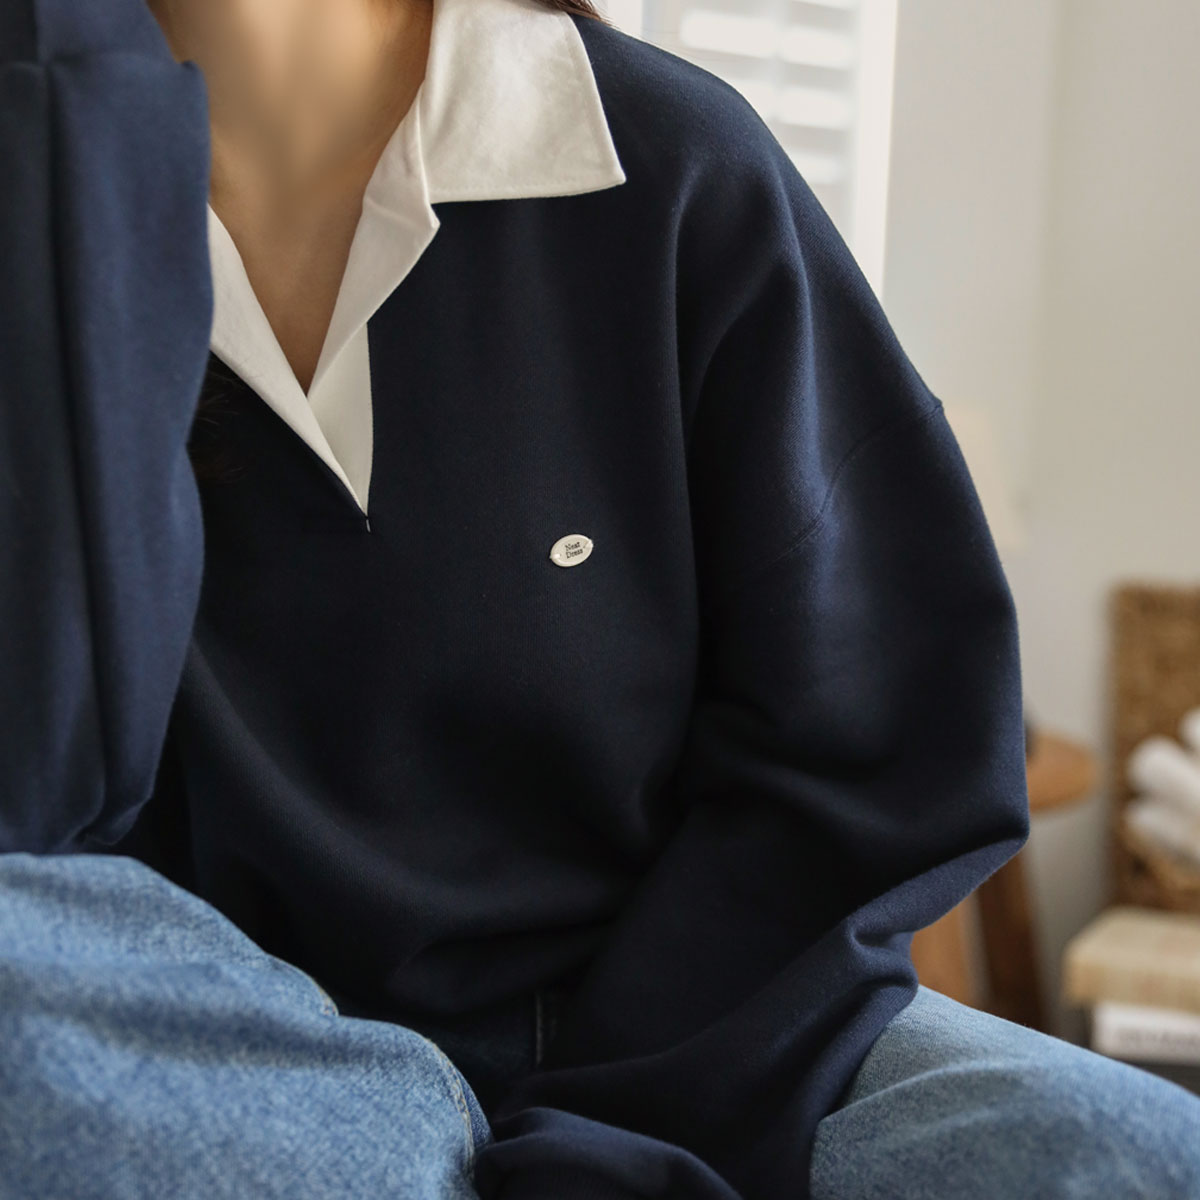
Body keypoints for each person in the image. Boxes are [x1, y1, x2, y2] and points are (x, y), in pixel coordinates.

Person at [1, 0, 1198, 1197]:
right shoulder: (47, 185)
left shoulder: (674, 167)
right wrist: (81, 157)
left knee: (1131, 1154)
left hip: (703, 1048)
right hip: (235, 1073)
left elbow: (875, 744)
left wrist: (613, 1139)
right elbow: (42, 808)